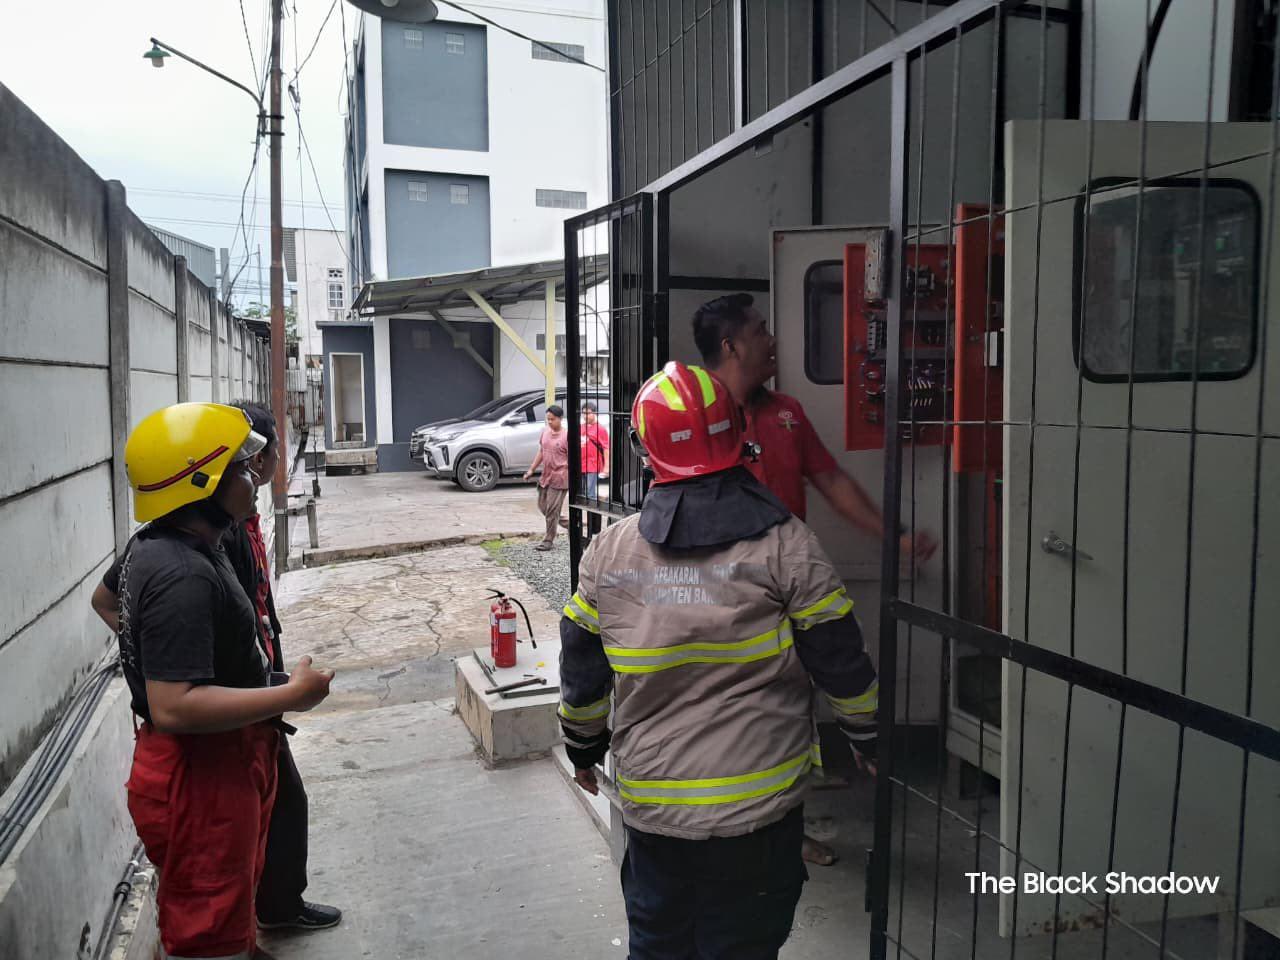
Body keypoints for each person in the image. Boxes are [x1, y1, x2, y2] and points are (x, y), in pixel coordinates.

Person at [559, 362, 879, 960]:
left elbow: (581, 673)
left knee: (659, 946)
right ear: (738, 433)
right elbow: (840, 658)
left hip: (657, 813)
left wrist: (583, 750)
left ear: (644, 451)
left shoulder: (609, 553)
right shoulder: (788, 545)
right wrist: (868, 736)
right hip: (759, 815)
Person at [691, 293, 937, 866]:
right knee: (724, 710)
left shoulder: (787, 413)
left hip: (786, 591)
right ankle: (723, 827)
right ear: (731, 345)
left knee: (790, 711)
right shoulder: (693, 415)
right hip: (718, 596)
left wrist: (892, 536)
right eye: (760, 330)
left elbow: (831, 480)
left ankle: (784, 829)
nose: (772, 339)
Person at [92, 401, 333, 960]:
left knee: (226, 901)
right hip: (199, 775)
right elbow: (175, 705)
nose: (254, 478)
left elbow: (107, 601)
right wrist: (292, 695)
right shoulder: (180, 572)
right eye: (241, 469)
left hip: (223, 759)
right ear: (200, 481)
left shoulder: (178, 543)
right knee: (206, 924)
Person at [522, 403, 569, 552]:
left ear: (560, 419)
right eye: (548, 419)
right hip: (546, 476)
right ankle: (572, 525)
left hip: (560, 477)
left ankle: (548, 540)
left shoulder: (566, 435)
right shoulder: (545, 432)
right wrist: (531, 469)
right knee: (543, 507)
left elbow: (573, 458)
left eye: (552, 419)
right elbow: (541, 451)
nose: (550, 422)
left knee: (551, 510)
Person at [580, 401, 610, 501]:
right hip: (582, 464)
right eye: (583, 413)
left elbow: (606, 448)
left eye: (588, 413)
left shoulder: (600, 429)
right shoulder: (581, 427)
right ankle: (601, 499)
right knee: (582, 492)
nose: (585, 416)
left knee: (590, 493)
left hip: (593, 464)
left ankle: (593, 514)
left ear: (595, 413)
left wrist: (606, 467)